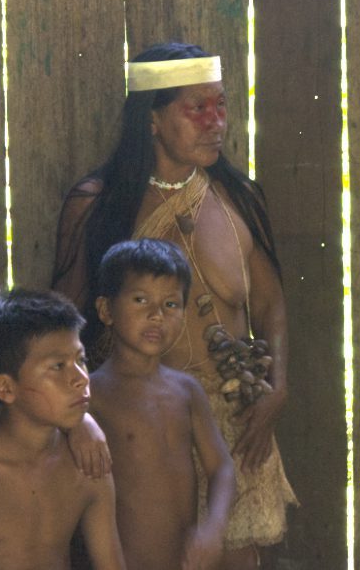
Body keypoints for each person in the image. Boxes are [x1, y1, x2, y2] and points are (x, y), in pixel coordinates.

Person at [52, 42, 296, 568]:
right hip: (142, 425)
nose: (215, 122)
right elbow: (62, 322)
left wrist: (277, 389)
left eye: (221, 105)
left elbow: (272, 304)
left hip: (236, 421)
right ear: (154, 119)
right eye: (197, 108)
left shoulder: (238, 196)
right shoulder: (99, 202)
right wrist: (77, 419)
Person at [0, 289, 126, 570]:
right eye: (58, 366)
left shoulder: (87, 458)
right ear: (5, 388)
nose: (81, 378)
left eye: (81, 360)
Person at [90, 238, 235, 569]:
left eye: (171, 304)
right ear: (106, 310)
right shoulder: (91, 396)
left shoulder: (186, 391)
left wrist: (213, 529)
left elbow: (222, 468)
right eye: (140, 300)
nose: (156, 316)